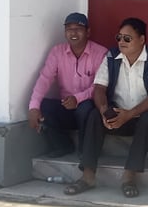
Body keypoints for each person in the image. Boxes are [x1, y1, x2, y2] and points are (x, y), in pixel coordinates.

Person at [63, 18, 148, 199]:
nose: (121, 42)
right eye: (119, 37)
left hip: (142, 117)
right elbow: (99, 88)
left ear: (142, 40)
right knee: (93, 114)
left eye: (127, 38)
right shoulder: (111, 57)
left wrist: (130, 114)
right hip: (118, 114)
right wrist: (104, 110)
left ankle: (129, 176)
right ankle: (88, 176)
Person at [27, 12, 108, 158]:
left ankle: (86, 152)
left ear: (88, 32)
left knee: (86, 108)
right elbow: (45, 79)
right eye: (69, 29)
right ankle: (63, 146)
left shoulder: (100, 53)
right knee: (44, 105)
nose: (73, 33)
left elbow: (100, 86)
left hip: (88, 107)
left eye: (78, 29)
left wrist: (77, 99)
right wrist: (33, 107)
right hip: (66, 106)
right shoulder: (57, 52)